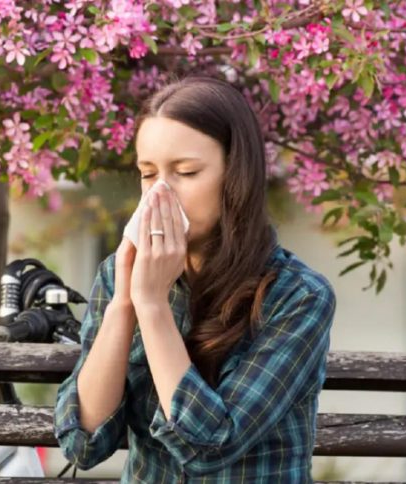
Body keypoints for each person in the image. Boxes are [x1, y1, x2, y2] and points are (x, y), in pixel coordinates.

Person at [53, 75, 337, 483]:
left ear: (236, 175)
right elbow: (83, 445)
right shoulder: (120, 276)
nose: (160, 194)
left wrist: (153, 307)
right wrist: (125, 303)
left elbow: (208, 449)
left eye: (185, 172)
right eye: (148, 174)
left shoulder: (298, 296)